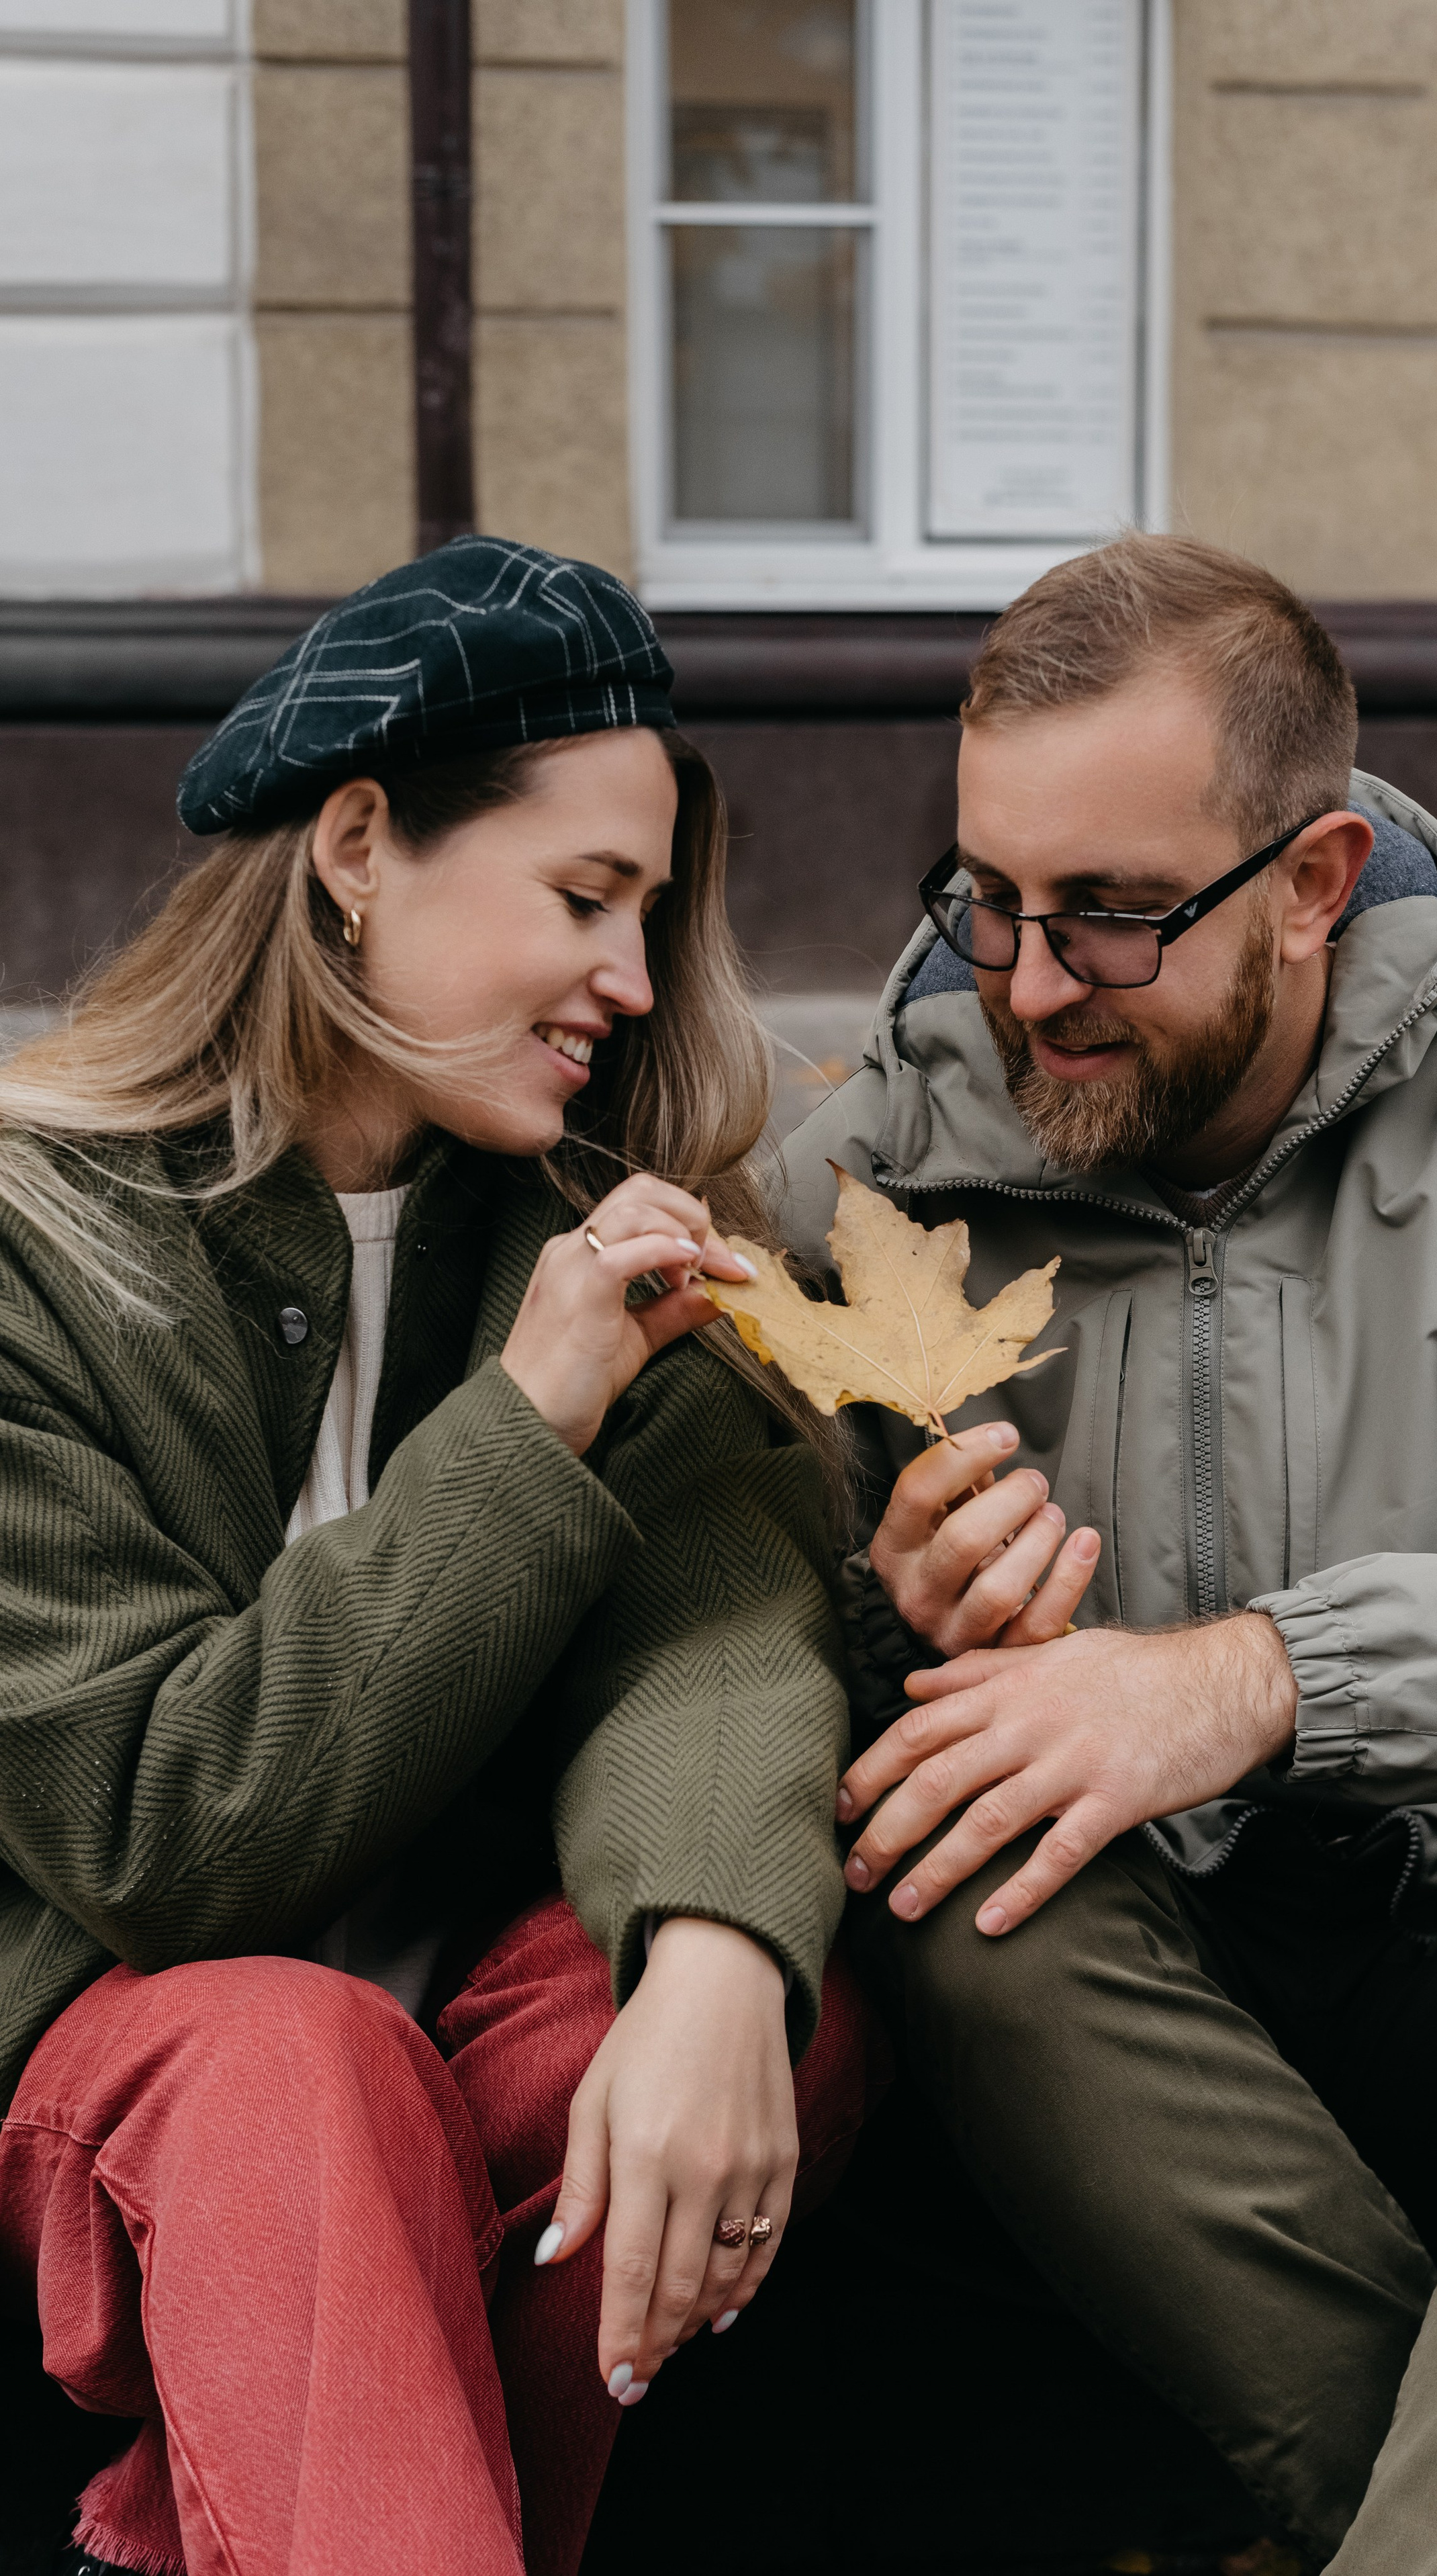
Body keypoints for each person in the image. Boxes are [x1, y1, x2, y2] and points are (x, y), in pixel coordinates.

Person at [777, 532, 1437, 2573]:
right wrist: (891, 1613)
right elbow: (705, 1634)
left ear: (1311, 887)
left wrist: (1256, 1676)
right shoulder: (859, 1182)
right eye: (989, 900)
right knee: (947, 1815)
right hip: (1121, 2045)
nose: (1027, 984)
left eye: (1114, 916)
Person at [0, 537, 875, 2576]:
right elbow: (160, 1822)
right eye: (585, 899)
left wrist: (724, 1955)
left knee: (751, 2005)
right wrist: (524, 1417)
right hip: (110, 2070)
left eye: (652, 914)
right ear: (363, 846)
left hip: (451, 2083)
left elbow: (720, 1632)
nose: (635, 983)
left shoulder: (587, 1224)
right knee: (299, 2054)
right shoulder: (36, 1247)